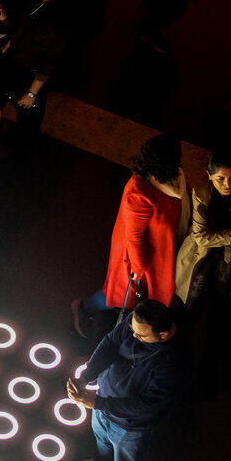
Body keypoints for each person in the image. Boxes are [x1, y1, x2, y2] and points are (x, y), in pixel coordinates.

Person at [66, 299, 191, 461]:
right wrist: (88, 375)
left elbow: (146, 405)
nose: (133, 336)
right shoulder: (139, 321)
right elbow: (110, 342)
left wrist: (98, 402)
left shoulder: (176, 364)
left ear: (162, 335)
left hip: (130, 425)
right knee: (102, 440)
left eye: (140, 336)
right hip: (104, 402)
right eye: (132, 329)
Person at [74, 134, 189, 336]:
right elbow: (134, 237)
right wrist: (138, 267)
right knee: (119, 295)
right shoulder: (139, 192)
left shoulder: (170, 180)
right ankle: (84, 308)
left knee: (127, 295)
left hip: (156, 254)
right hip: (139, 257)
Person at [174, 153, 231, 397]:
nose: (227, 184)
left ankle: (207, 370)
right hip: (200, 261)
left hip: (230, 264)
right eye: (220, 179)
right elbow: (201, 238)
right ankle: (177, 368)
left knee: (220, 317)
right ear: (209, 176)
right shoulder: (201, 193)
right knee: (187, 311)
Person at [0, 0, 67, 136]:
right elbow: (20, 26)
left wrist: (31, 93)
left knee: (27, 123)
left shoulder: (57, 18)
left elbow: (51, 60)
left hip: (29, 75)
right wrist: (2, 14)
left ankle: (20, 147)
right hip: (11, 65)